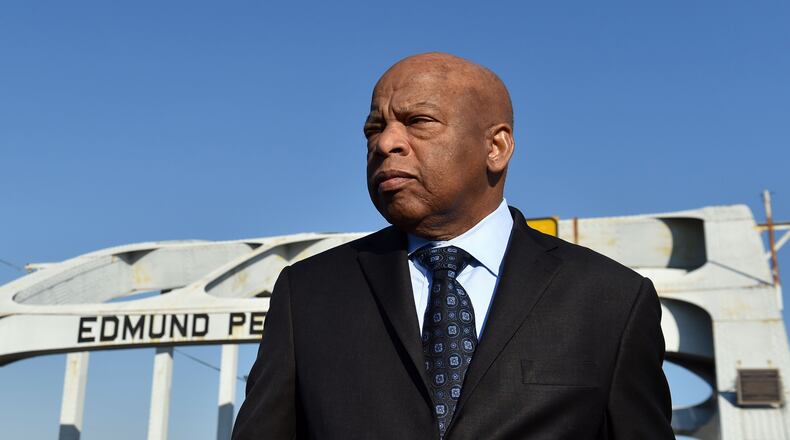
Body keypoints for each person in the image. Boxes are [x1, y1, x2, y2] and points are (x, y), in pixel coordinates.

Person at [232, 52, 674, 439]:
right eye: (374, 128)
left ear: (496, 147)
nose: (385, 143)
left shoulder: (611, 301)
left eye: (418, 122)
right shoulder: (308, 295)